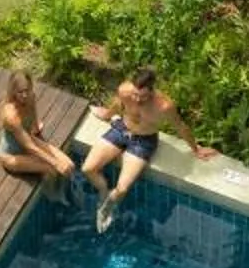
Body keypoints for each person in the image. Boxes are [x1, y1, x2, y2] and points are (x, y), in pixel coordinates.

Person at [82, 65, 207, 232]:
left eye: (143, 96)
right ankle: (103, 192)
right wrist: (106, 116)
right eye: (135, 94)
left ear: (152, 90)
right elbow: (117, 104)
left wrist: (196, 149)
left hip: (144, 141)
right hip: (121, 129)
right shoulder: (124, 90)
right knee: (88, 168)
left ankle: (106, 207)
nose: (137, 100)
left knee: (122, 188)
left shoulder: (164, 106)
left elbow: (180, 127)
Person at [0, 69, 78, 193]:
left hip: (28, 139)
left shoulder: (31, 97)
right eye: (20, 92)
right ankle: (53, 197)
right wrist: (56, 163)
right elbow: (29, 147)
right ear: (13, 91)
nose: (24, 95)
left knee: (70, 166)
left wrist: (35, 127)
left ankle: (63, 190)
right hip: (12, 155)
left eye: (27, 90)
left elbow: (33, 112)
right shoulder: (11, 116)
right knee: (52, 170)